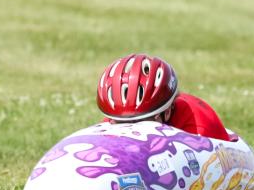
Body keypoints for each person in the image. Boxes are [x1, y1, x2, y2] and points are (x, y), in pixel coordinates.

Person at [96, 53, 232, 141]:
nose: (129, 131)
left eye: (139, 124)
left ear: (166, 112)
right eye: (121, 124)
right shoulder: (116, 118)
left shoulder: (199, 130)